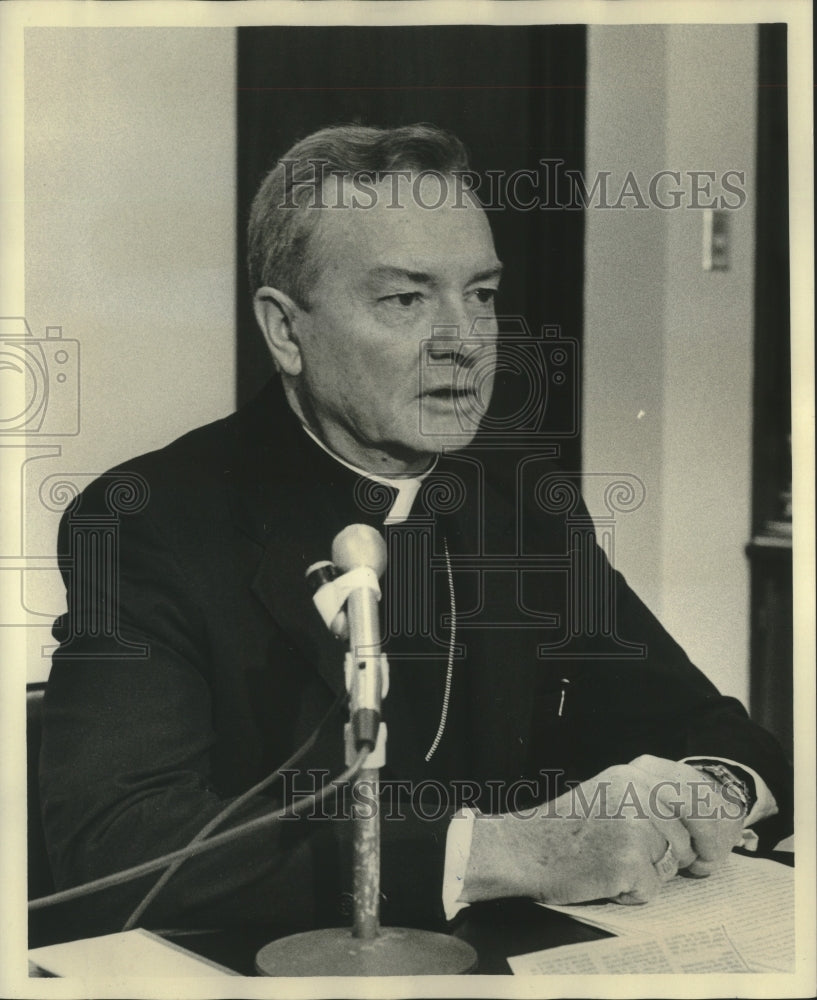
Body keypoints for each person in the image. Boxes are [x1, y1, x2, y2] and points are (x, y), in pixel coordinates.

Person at [39, 124, 792, 942]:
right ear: (286, 331)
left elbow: (712, 731)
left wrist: (707, 789)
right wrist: (501, 851)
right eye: (405, 299)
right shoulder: (150, 517)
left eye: (480, 294)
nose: (464, 341)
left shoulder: (525, 509)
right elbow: (117, 852)